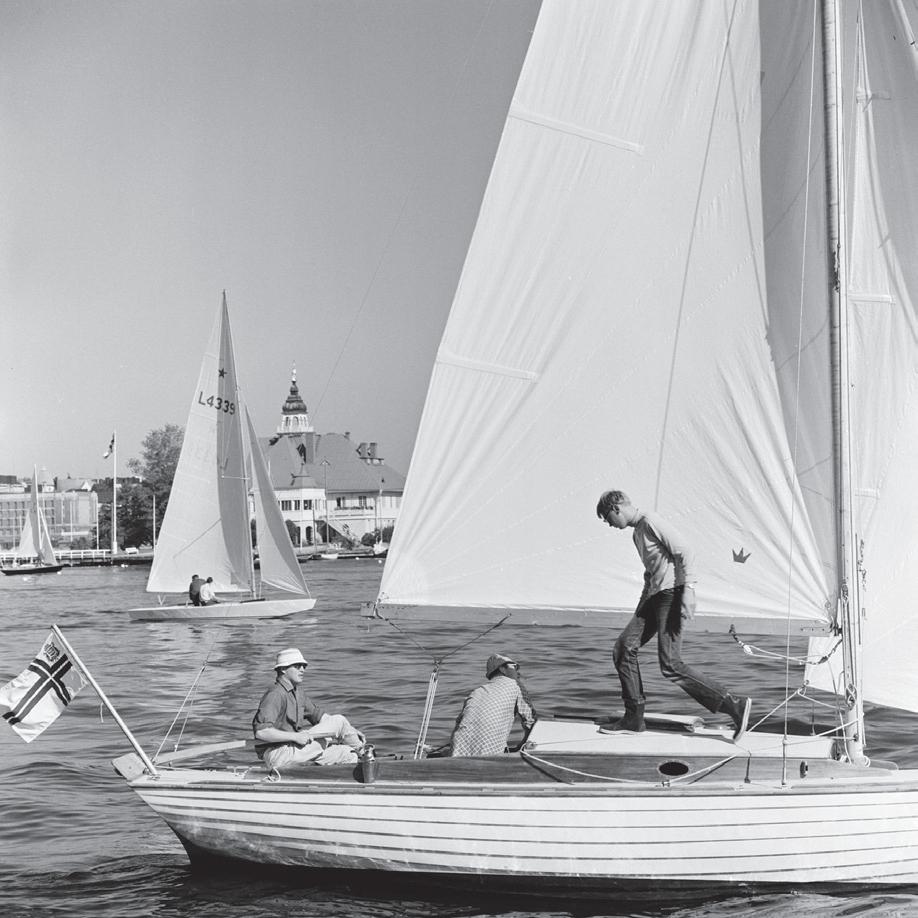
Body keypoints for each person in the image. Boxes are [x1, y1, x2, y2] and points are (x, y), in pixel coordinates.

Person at [596, 490, 751, 740]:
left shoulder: (650, 521)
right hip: (654, 597)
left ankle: (734, 705)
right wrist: (641, 609)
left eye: (607, 518)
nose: (608, 524)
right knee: (623, 649)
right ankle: (633, 718)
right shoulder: (637, 533)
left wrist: (688, 591)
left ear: (616, 508)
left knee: (670, 664)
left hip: (672, 595)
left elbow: (685, 551)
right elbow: (651, 573)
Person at [252, 647, 366, 769]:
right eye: (297, 666)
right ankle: (366, 756)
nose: (302, 670)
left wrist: (350, 730)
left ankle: (362, 762)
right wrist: (296, 737)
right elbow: (261, 732)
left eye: (304, 666)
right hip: (278, 754)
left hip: (296, 751)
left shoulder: (298, 693)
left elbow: (322, 718)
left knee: (348, 754)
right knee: (339, 720)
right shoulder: (275, 694)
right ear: (283, 669)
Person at [449, 653, 536, 757]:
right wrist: (522, 745)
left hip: (458, 749)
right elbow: (530, 721)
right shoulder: (515, 685)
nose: (518, 672)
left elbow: (459, 723)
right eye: (514, 667)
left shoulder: (477, 691)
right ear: (502, 669)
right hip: (488, 753)